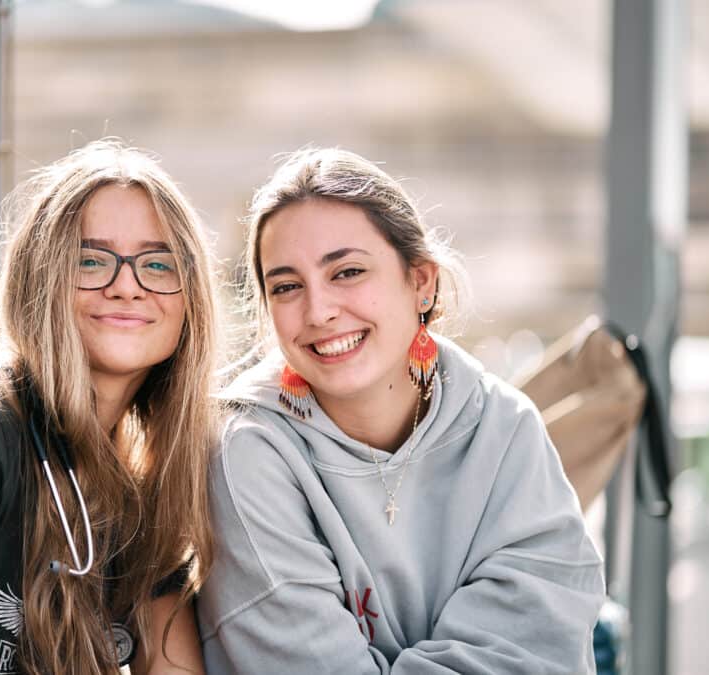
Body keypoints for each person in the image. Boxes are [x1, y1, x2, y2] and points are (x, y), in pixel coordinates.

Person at [198, 148, 605, 674]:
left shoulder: (505, 428)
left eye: (346, 272)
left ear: (421, 282)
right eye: (287, 286)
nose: (319, 311)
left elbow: (540, 648)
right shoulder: (243, 453)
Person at [0, 140, 220, 675]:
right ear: (39, 278)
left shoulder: (147, 475)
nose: (127, 286)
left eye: (158, 265)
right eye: (90, 261)